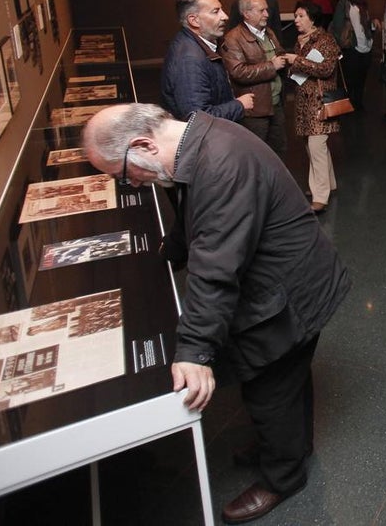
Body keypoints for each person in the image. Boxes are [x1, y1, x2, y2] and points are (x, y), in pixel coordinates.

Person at [81, 103, 351, 524]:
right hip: (288, 279)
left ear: (143, 144)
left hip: (291, 290)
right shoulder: (194, 140)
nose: (130, 184)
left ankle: (284, 475)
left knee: (271, 388)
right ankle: (287, 446)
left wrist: (193, 351)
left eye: (122, 174)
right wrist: (170, 251)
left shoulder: (219, 164)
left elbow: (216, 268)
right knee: (286, 380)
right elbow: (195, 221)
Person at [160, 0, 254, 121]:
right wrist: (239, 105)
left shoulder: (199, 45)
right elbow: (197, 117)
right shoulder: (189, 59)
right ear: (194, 20)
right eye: (215, 12)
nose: (225, 16)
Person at [221, 0, 292, 158]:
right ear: (246, 14)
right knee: (256, 155)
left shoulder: (269, 32)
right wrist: (271, 66)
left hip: (276, 104)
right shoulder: (233, 38)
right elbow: (238, 72)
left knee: (279, 153)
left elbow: (278, 51)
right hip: (255, 110)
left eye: (267, 10)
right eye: (262, 11)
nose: (267, 14)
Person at [290, 1, 342, 213]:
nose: (296, 20)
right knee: (313, 145)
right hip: (304, 100)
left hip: (320, 100)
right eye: (295, 16)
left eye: (301, 16)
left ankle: (321, 197)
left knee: (316, 145)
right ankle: (328, 183)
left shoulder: (325, 39)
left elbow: (327, 69)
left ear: (312, 19)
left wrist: (297, 61)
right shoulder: (300, 40)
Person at [330, 0, 378, 112]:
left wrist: (373, 24)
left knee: (362, 78)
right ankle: (349, 104)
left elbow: (366, 25)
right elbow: (338, 26)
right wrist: (341, 44)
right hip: (351, 47)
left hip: (366, 46)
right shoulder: (344, 3)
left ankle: (358, 103)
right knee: (350, 79)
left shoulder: (363, 4)